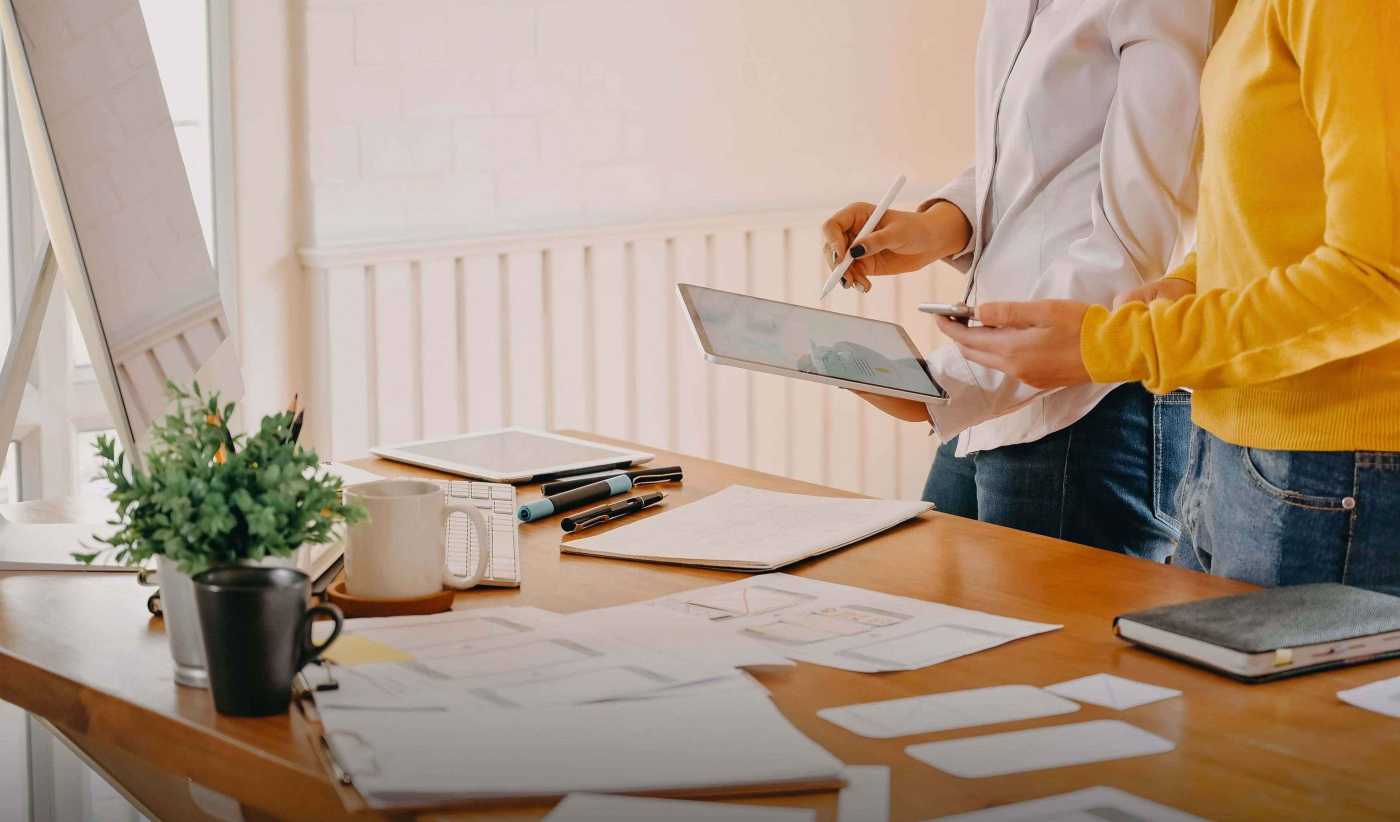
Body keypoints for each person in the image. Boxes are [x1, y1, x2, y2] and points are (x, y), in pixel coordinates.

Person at [936, 0, 1400, 593]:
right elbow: (1270, 195)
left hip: (1329, 465)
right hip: (1232, 442)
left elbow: (1378, 275)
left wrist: (1118, 343)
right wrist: (1193, 275)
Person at [820, 0, 1220, 560]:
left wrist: (944, 387)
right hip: (991, 397)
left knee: (1054, 647)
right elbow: (1023, 154)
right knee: (944, 630)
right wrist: (936, 226)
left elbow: (1142, 243)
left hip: (1093, 408)